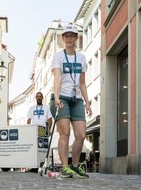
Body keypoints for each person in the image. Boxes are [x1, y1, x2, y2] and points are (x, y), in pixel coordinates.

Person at [50, 23, 92, 179]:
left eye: (72, 35)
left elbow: (82, 82)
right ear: (62, 38)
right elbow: (58, 77)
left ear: (76, 38)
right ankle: (65, 168)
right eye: (66, 35)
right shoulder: (58, 56)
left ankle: (75, 166)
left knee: (81, 135)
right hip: (62, 98)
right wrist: (57, 97)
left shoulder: (81, 57)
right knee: (65, 133)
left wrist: (87, 102)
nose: (69, 38)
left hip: (77, 99)